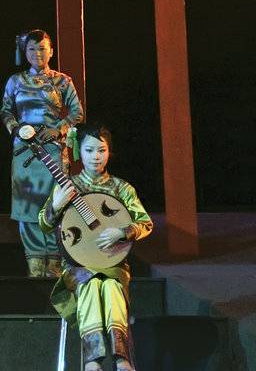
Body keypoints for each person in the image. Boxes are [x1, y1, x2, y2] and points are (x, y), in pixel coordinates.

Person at [41, 122, 153, 371]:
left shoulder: (122, 188)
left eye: (101, 150)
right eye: (89, 150)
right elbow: (45, 225)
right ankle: (93, 360)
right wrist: (56, 205)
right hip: (77, 267)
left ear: (109, 152)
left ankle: (121, 358)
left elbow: (145, 223)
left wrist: (122, 232)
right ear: (79, 151)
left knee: (111, 285)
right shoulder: (67, 186)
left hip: (114, 264)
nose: (95, 156)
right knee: (91, 284)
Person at [0, 28, 85, 278]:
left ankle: (55, 263)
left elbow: (76, 112)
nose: (37, 53)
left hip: (53, 147)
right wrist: (16, 128)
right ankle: (35, 264)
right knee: (28, 205)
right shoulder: (15, 81)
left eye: (42, 48)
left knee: (55, 202)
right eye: (32, 49)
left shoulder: (62, 81)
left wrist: (58, 129)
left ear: (51, 51)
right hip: (24, 149)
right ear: (24, 52)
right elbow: (5, 111)